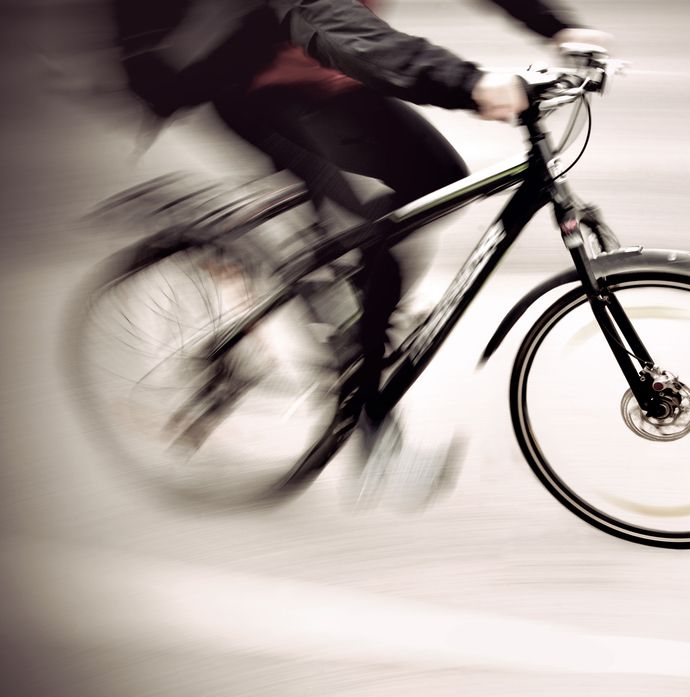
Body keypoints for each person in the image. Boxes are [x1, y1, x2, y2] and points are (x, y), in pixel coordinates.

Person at [111, 0, 610, 500]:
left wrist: (559, 28)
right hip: (253, 84)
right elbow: (330, 20)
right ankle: (369, 414)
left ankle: (364, 320)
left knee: (436, 183)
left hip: (329, 76)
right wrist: (470, 83)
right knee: (372, 223)